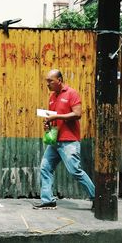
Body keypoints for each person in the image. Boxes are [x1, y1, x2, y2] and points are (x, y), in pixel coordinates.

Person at [33, 69, 95, 210]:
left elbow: (77, 114)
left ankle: (96, 197)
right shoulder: (52, 97)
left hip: (69, 141)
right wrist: (48, 123)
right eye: (47, 81)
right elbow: (53, 116)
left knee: (75, 171)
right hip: (55, 141)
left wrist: (57, 117)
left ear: (59, 80)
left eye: (50, 81)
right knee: (45, 168)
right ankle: (48, 200)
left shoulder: (71, 93)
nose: (48, 84)